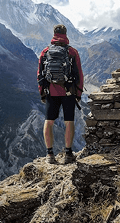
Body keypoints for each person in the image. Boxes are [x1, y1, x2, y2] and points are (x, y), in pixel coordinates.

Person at [37, 24, 84, 164]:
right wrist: (79, 93)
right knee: (69, 122)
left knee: (49, 122)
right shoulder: (72, 52)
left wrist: (42, 93)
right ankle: (68, 154)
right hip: (68, 91)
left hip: (51, 91)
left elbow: (40, 74)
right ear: (66, 34)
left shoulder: (45, 52)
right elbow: (79, 75)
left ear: (54, 34)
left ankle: (50, 155)